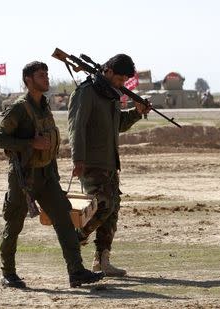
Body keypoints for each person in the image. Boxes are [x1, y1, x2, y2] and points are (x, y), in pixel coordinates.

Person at [0, 61, 104, 289]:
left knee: (64, 219)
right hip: (23, 178)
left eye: (47, 74)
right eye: (41, 75)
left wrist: (55, 173)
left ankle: (76, 271)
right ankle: (8, 273)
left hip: (46, 176)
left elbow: (49, 143)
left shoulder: (44, 106)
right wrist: (30, 143)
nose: (46, 78)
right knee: (14, 224)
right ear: (28, 80)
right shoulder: (18, 109)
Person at [68, 54, 151, 276]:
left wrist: (136, 112)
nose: (122, 84)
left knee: (112, 210)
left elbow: (117, 125)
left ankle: (102, 260)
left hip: (110, 163)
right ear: (109, 72)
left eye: (125, 81)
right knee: (103, 205)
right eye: (120, 79)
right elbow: (76, 127)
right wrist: (78, 159)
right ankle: (74, 239)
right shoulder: (87, 92)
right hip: (91, 162)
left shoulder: (111, 95)